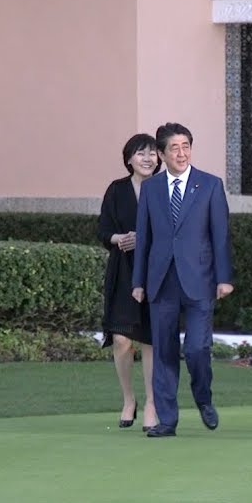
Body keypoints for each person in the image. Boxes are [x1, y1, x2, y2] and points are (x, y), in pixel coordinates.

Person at [131, 122, 234, 437]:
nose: (181, 153)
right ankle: (167, 420)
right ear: (162, 153)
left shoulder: (211, 185)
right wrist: (138, 282)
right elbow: (144, 239)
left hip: (200, 280)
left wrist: (224, 278)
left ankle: (203, 398)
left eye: (186, 146)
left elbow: (221, 237)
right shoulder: (151, 188)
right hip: (160, 281)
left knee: (196, 349)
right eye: (174, 148)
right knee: (163, 351)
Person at [97, 133, 161, 431]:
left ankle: (152, 403)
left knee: (150, 340)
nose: (147, 159)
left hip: (156, 271)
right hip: (123, 271)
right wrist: (119, 238)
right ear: (129, 159)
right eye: (141, 153)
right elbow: (103, 229)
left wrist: (145, 239)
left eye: (151, 153)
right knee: (122, 339)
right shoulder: (117, 190)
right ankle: (128, 399)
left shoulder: (164, 188)